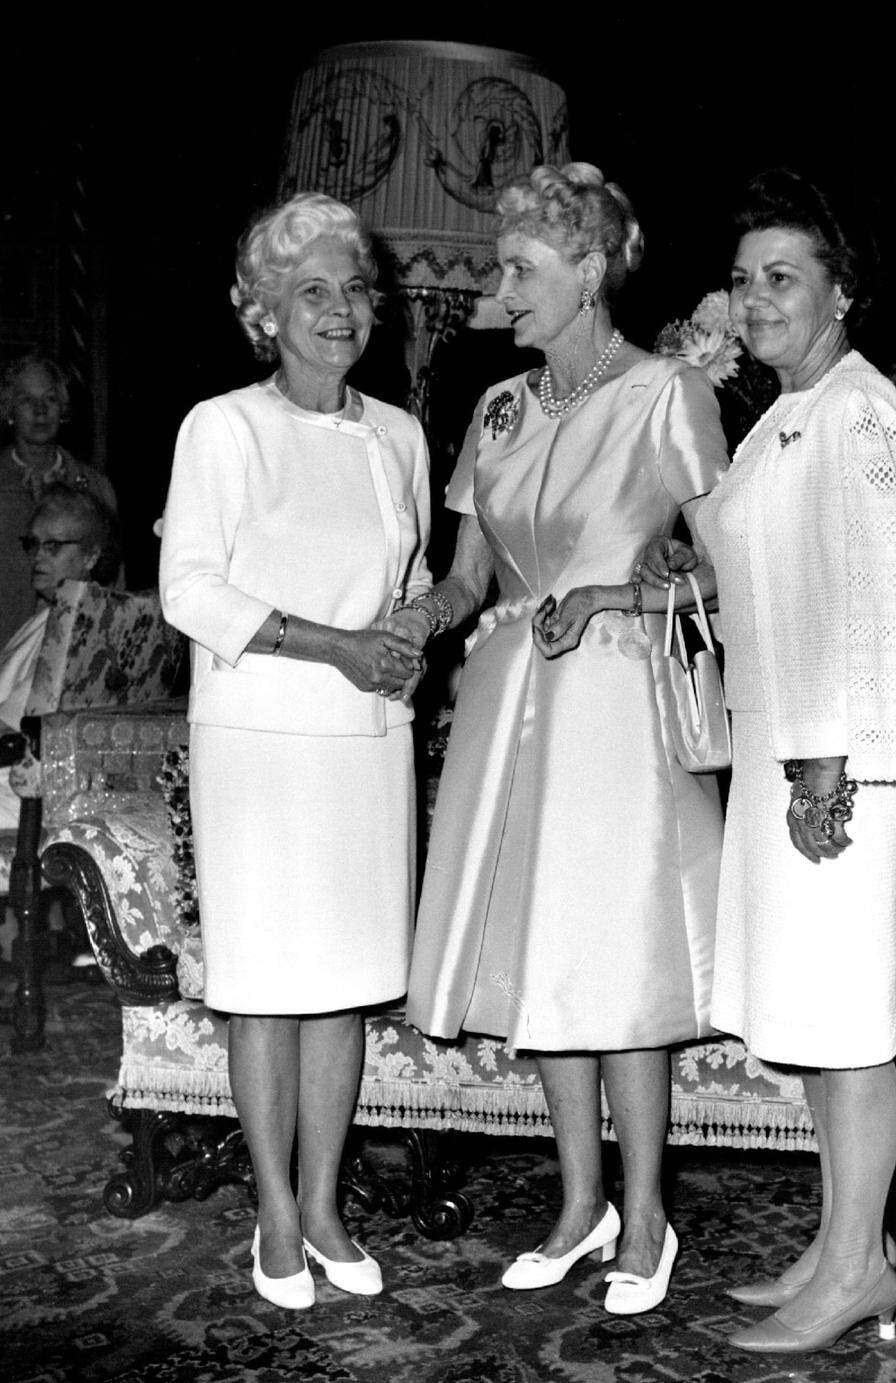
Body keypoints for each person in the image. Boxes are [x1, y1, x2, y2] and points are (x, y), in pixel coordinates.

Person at [403, 162, 728, 1315]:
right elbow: (465, 575)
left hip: (618, 713)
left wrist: (621, 598)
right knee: (549, 956)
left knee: (618, 961)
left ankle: (648, 1218)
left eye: (521, 270)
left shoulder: (666, 395)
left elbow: (723, 573)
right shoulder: (495, 408)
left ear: (590, 273)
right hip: (507, 706)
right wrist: (415, 620)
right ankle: (581, 1204)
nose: (501, 290)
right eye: (501, 268)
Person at [638, 168, 896, 1354]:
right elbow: (768, 560)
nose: (754, 300)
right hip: (787, 746)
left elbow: (872, 598)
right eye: (744, 279)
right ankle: (842, 1242)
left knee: (850, 1023)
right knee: (814, 1015)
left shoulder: (861, 410)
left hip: (835, 757)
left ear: (841, 292)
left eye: (783, 278)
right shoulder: (788, 413)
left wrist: (827, 764)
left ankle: (861, 1268)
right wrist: (692, 575)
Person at [159, 192, 433, 1310]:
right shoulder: (220, 427)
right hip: (261, 744)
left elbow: (410, 581)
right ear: (263, 310)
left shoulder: (400, 434)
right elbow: (190, 590)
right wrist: (337, 647)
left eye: (355, 290)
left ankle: (325, 1205)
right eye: (311, 291)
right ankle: (274, 1212)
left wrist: (409, 628)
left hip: (366, 741)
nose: (339, 311)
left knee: (343, 987)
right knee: (268, 986)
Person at [0, 485, 119, 829]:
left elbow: (11, 728)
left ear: (91, 556)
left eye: (53, 545)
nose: (38, 556)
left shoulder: (75, 629)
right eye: (33, 544)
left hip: (18, 798)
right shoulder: (53, 614)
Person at [0, 355, 117, 648]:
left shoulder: (95, 487)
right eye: (27, 400)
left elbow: (113, 587)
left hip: (73, 655)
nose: (40, 411)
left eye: (50, 399)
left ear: (62, 409)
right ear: (9, 410)